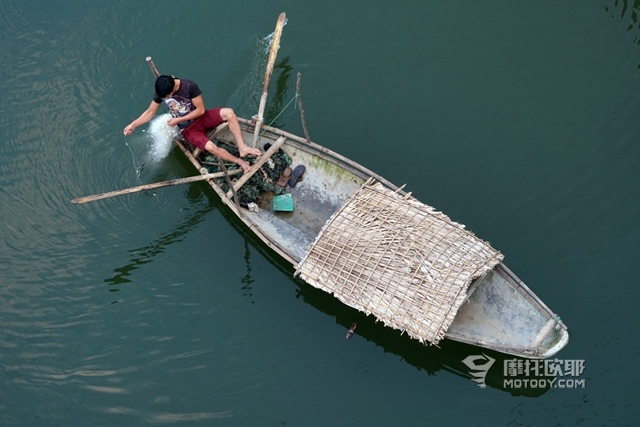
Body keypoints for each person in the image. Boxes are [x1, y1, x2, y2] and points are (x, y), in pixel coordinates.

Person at [123, 75, 261, 172]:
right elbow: (150, 111)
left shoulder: (189, 86)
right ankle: (240, 161)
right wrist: (133, 124)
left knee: (229, 112)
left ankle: (242, 147)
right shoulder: (162, 91)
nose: (166, 98)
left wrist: (178, 120)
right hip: (188, 130)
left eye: (168, 96)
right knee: (211, 147)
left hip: (202, 118)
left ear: (173, 88)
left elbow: (200, 110)